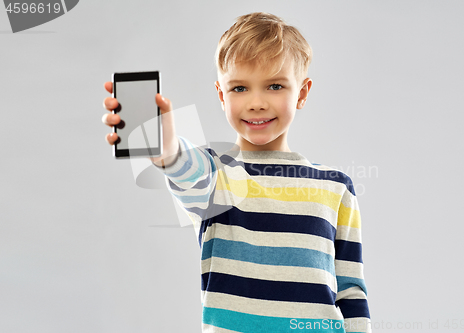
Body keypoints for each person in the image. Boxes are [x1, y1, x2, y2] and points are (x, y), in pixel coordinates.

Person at [102, 12, 371, 333]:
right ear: (221, 95)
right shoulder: (216, 177)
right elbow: (183, 165)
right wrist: (166, 145)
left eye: (274, 85)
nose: (256, 102)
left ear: (301, 92)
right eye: (240, 88)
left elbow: (351, 291)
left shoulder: (336, 187)